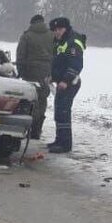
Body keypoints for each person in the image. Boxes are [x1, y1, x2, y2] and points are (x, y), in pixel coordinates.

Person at [47, 16, 85, 153]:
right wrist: (53, 77)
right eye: (55, 30)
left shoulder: (73, 41)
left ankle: (65, 144)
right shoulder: (59, 41)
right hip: (60, 82)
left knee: (63, 111)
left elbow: (76, 64)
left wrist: (65, 81)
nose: (56, 32)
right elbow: (57, 62)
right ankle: (59, 140)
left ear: (65, 28)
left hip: (70, 82)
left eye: (59, 29)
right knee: (59, 110)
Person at [15, 14, 53, 139]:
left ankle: (29, 127)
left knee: (30, 100)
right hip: (46, 73)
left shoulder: (27, 36)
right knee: (42, 100)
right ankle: (37, 130)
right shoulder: (52, 35)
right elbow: (56, 54)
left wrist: (20, 72)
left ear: (32, 23)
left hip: (30, 72)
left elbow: (20, 56)